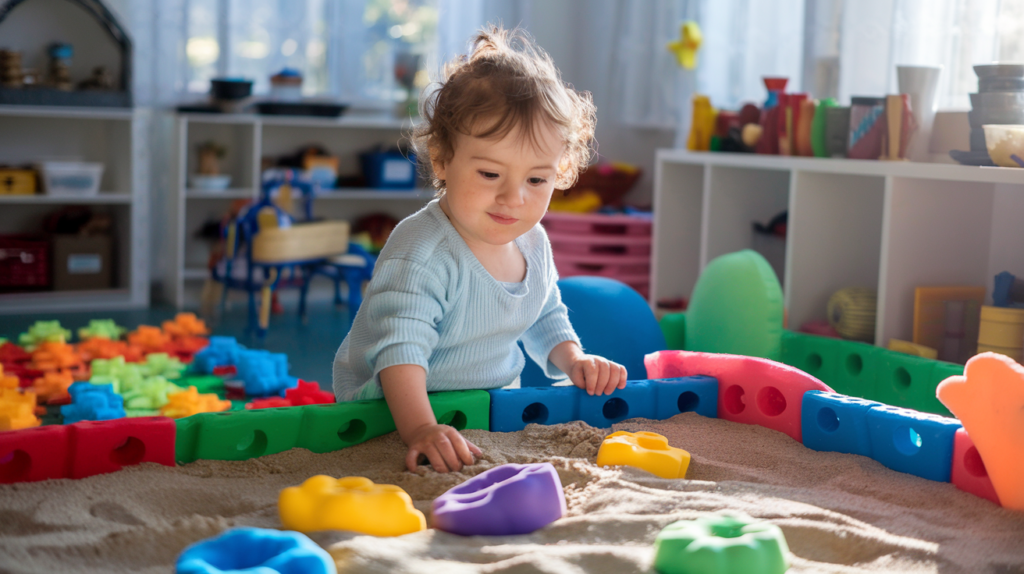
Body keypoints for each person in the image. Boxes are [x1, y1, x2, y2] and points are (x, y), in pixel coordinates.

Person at [333, 26, 627, 473]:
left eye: (536, 180)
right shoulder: (424, 251)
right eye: (490, 174)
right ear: (442, 159)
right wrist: (420, 430)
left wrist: (574, 359)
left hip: (486, 413)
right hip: (393, 415)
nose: (515, 198)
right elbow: (400, 351)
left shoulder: (533, 241)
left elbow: (543, 310)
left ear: (560, 171)